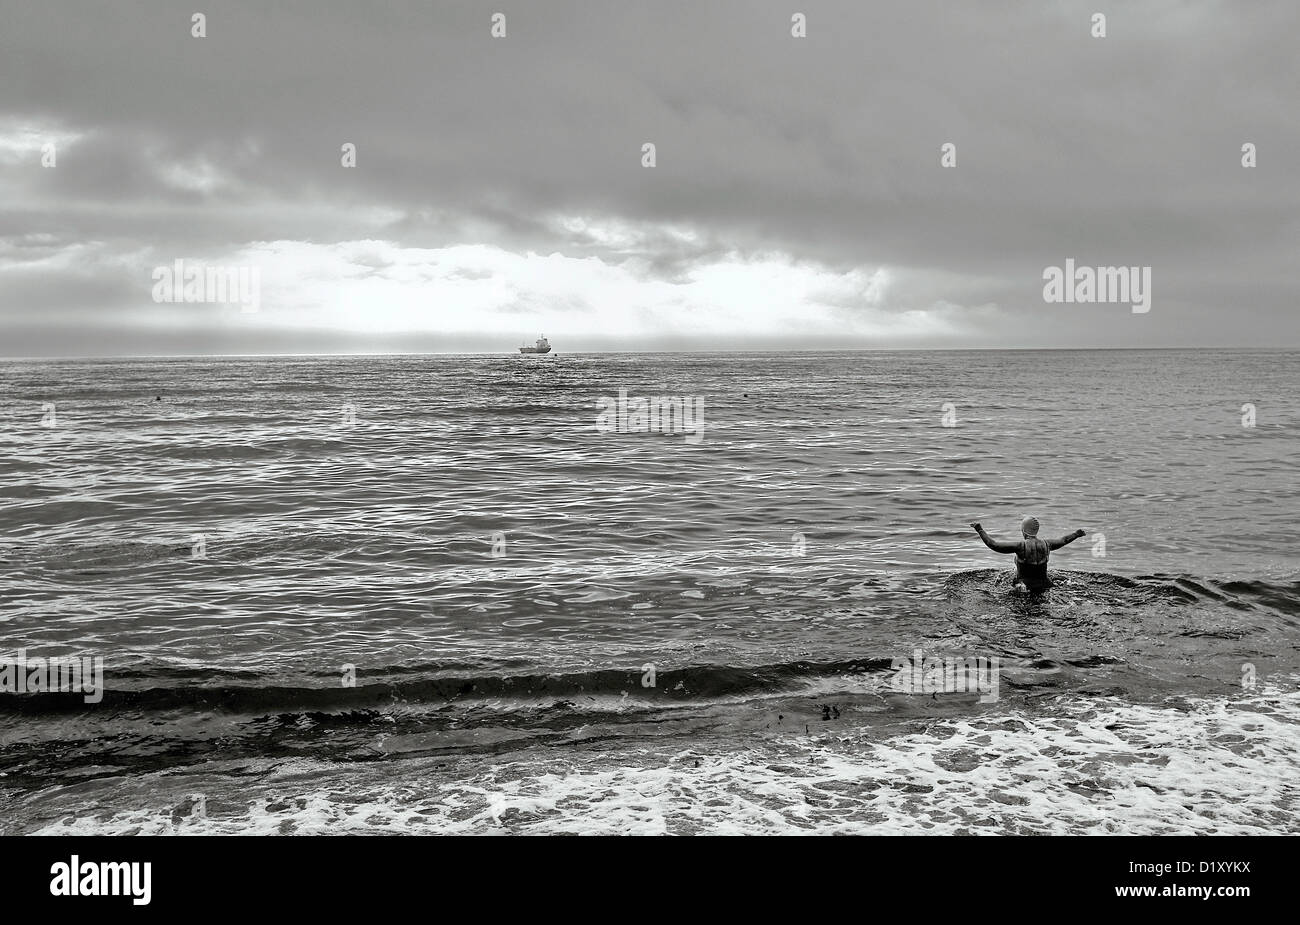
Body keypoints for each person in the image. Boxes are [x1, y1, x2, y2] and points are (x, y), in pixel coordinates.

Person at [969, 516, 1085, 591]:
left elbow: (993, 545)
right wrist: (1076, 534)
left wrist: (980, 530)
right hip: (1046, 585)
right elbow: (1064, 540)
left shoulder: (1020, 546)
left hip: (1024, 587)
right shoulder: (1047, 544)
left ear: (1023, 531)